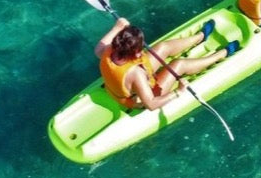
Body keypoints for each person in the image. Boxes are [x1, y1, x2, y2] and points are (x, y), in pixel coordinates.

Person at [94, 16, 240, 111]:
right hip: (138, 99)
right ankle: (222, 54)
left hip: (125, 83)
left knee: (163, 47)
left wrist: (117, 27)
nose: (141, 52)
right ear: (135, 53)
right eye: (140, 50)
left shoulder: (109, 50)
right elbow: (151, 104)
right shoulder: (135, 74)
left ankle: (200, 37)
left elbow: (97, 49)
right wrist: (178, 91)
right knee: (178, 64)